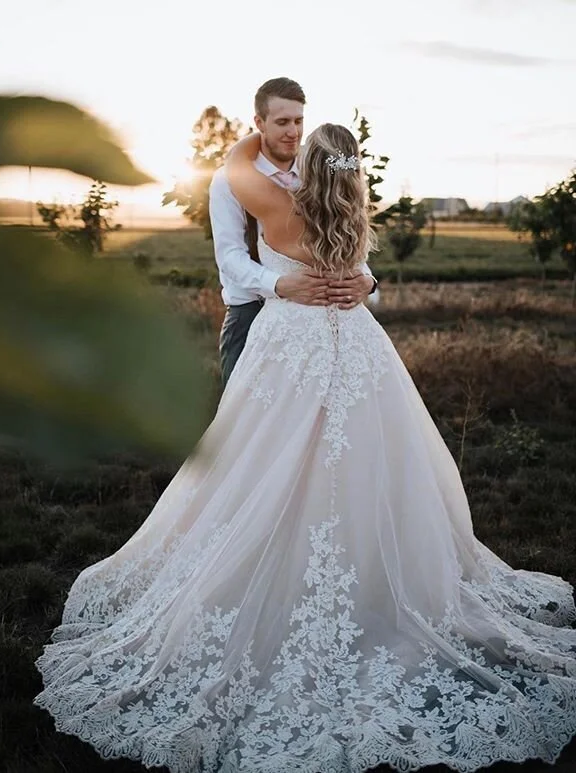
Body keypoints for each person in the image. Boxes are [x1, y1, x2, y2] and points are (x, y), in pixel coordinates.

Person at [33, 123, 576, 773]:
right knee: (366, 465)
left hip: (289, 342)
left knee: (257, 461)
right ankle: (380, 583)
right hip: (353, 339)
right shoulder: (352, 212)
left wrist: (252, 134)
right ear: (352, 170)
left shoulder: (280, 206)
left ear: (307, 164)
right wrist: (365, 282)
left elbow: (238, 175)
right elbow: (359, 268)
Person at [209, 77, 377, 387]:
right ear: (259, 122)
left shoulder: (321, 168)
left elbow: (342, 232)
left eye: (299, 121)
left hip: (322, 318)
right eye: (283, 122)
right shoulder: (227, 181)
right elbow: (229, 256)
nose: (294, 131)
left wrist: (366, 281)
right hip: (250, 312)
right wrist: (279, 284)